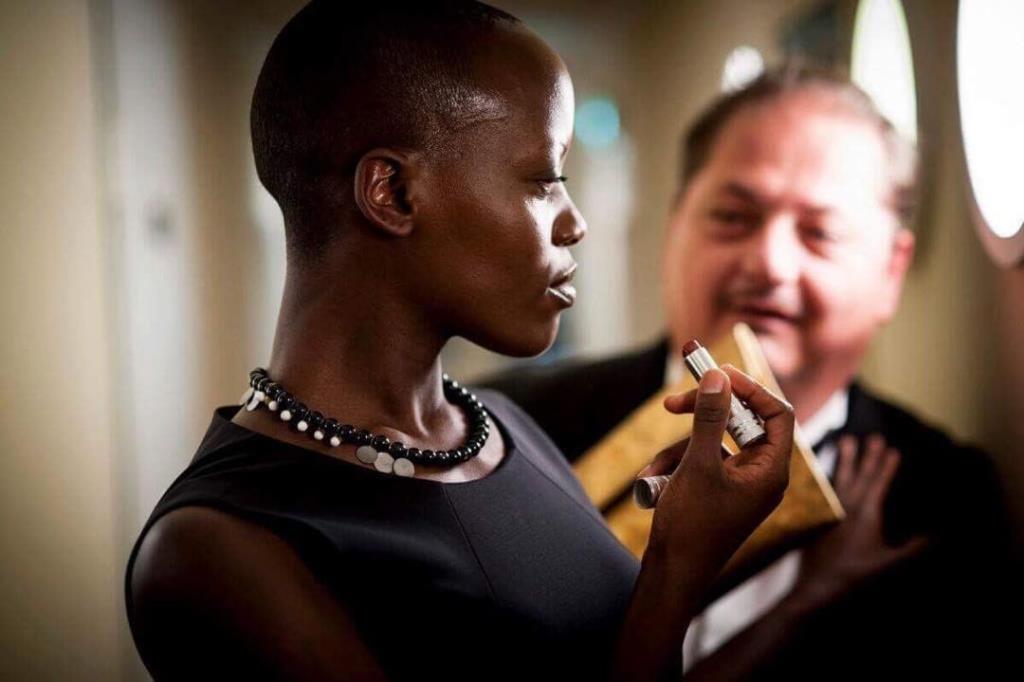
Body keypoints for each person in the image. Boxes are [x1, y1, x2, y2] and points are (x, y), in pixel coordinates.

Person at [124, 3, 796, 680]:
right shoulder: (216, 550)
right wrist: (676, 568)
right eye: (545, 180)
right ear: (393, 193)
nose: (575, 224)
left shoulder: (503, 425)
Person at [484, 66, 1015, 678]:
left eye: (820, 232)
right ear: (675, 225)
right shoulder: (510, 426)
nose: (769, 263)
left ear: (891, 272)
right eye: (734, 217)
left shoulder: (942, 499)